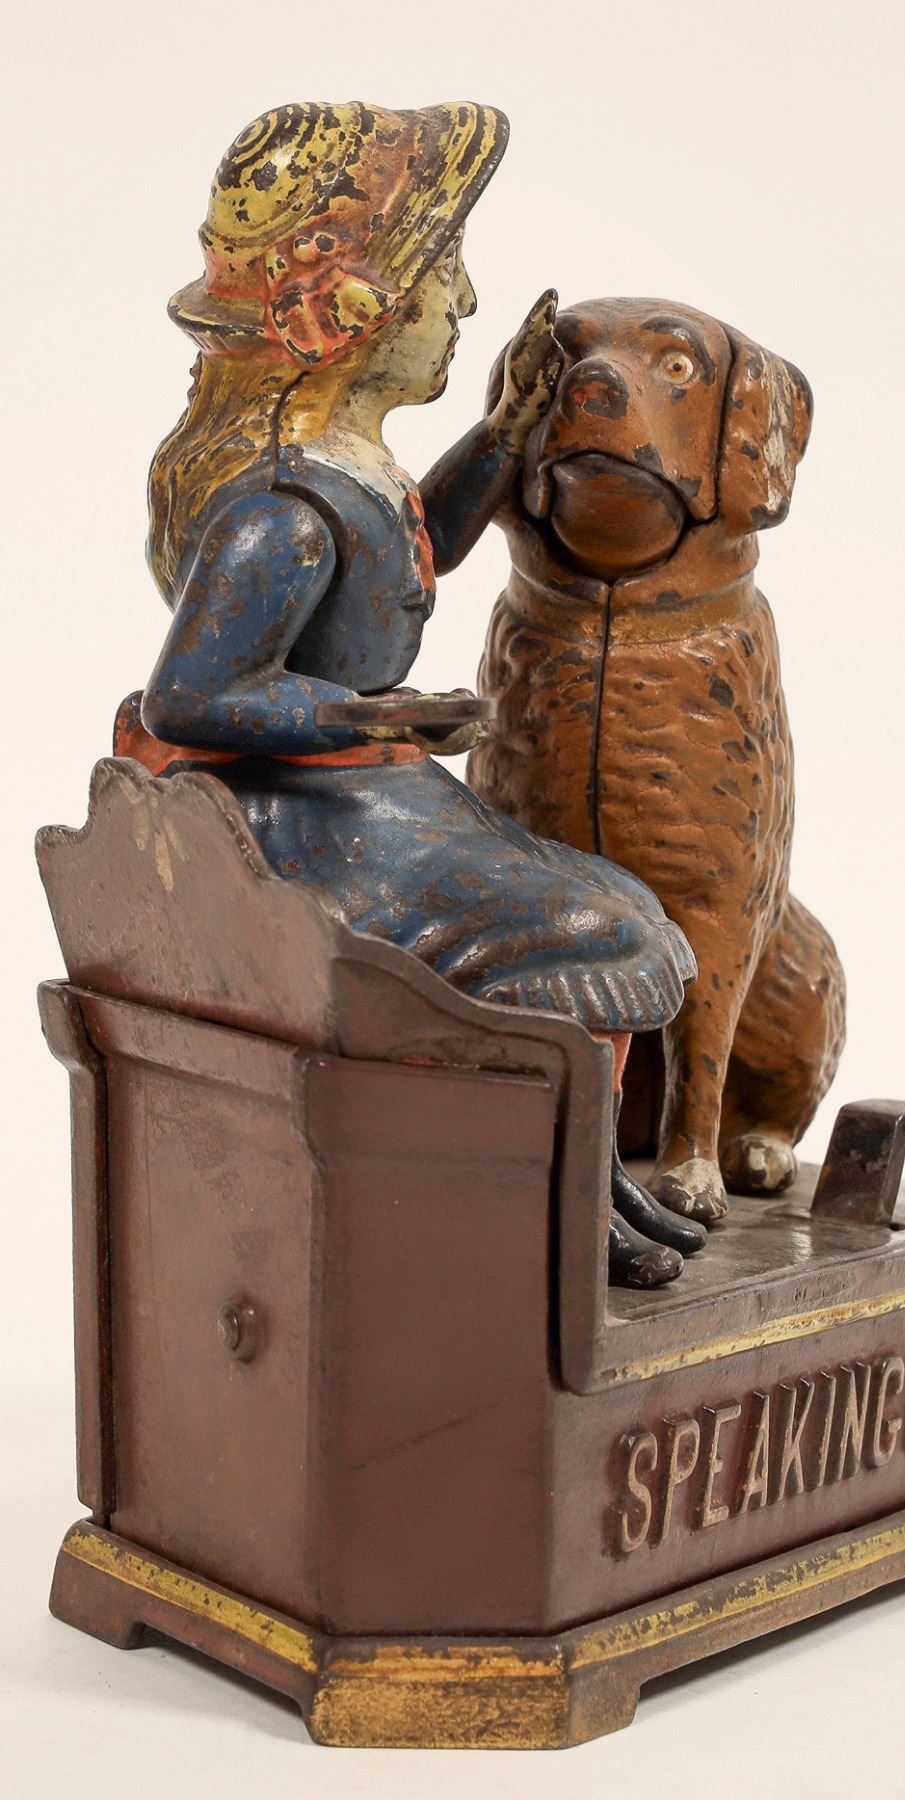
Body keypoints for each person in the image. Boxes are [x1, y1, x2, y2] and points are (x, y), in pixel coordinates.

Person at [119, 100, 703, 1287]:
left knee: (615, 908)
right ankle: (540, 1196)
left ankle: (578, 1172)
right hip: (300, 827)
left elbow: (416, 544)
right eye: (443, 278)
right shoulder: (279, 511)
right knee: (596, 928)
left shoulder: (345, 470)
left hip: (375, 801)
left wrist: (502, 432)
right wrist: (364, 718)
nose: (467, 303)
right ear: (352, 315)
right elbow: (188, 697)